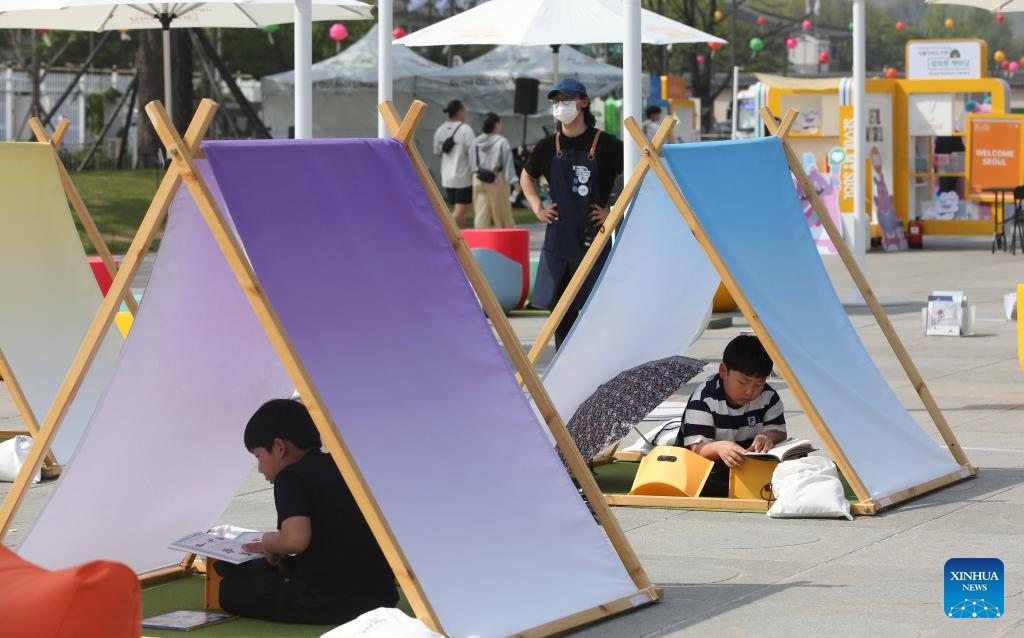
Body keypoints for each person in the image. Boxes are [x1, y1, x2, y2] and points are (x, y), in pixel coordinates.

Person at [216, 399, 397, 624]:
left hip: (329, 601)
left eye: (258, 456)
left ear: (280, 447)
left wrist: (268, 542)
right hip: (381, 593)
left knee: (230, 590)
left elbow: (295, 541)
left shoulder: (290, 477)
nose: (260, 467)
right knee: (266, 571)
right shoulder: (341, 465)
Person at [521, 78, 624, 347]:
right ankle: (564, 370)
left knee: (596, 310)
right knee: (561, 312)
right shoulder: (546, 146)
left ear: (584, 103)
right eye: (556, 101)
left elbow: (639, 176)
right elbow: (526, 178)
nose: (560, 106)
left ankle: (594, 365)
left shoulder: (609, 145)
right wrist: (538, 209)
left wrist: (612, 211)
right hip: (558, 240)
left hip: (593, 239)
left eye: (566, 100)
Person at [674, 335, 787, 497]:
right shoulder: (705, 399)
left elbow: (779, 431)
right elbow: (696, 449)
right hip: (709, 465)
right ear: (723, 371)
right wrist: (720, 448)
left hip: (749, 463)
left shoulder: (768, 396)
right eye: (742, 382)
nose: (750, 391)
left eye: (759, 383)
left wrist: (767, 436)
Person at [470, 112, 518, 228]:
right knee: (502, 215)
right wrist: (515, 182)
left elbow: (472, 163)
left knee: (481, 215)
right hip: (497, 180)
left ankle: (480, 242)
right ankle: (506, 243)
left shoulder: (475, 142)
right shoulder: (502, 141)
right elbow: (507, 165)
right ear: (496, 125)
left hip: (478, 178)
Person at [433, 99, 475, 227]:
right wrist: (474, 171)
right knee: (461, 210)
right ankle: (444, 230)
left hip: (447, 177)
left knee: (459, 211)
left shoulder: (440, 130)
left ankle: (461, 238)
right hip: (463, 177)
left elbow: (437, 152)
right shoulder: (466, 130)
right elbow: (472, 153)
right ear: (460, 112)